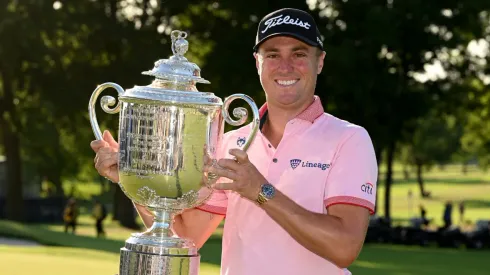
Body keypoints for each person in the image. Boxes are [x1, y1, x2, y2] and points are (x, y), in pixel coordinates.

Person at [91, 8, 378, 275]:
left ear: (320, 61)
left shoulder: (349, 139)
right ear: (258, 63)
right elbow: (186, 236)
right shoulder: (231, 141)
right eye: (273, 55)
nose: (286, 66)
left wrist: (260, 190)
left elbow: (345, 247)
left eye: (299, 54)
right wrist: (134, 180)